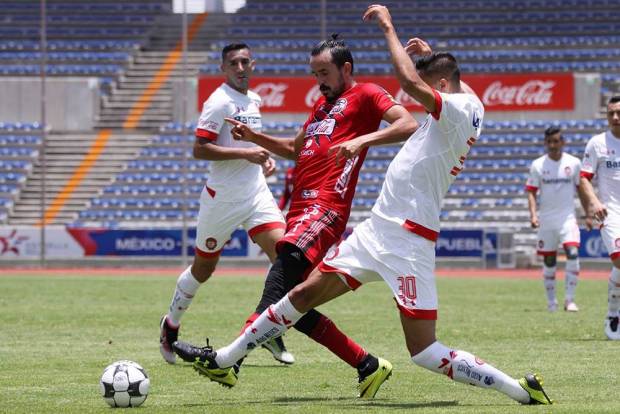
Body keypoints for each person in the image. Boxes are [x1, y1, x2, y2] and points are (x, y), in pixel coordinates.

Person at [185, 5, 554, 405]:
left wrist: (388, 29)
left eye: (431, 87)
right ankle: (226, 358)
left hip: (409, 240)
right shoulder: (469, 102)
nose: (422, 96)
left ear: (442, 85)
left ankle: (518, 389)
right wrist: (429, 58)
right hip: (377, 229)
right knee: (301, 295)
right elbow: (447, 85)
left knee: (425, 352)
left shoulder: (459, 110)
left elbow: (410, 87)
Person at [173, 33, 418, 398]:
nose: (319, 81)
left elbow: (407, 123)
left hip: (325, 207)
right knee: (292, 303)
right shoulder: (319, 110)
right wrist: (254, 136)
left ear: (345, 69)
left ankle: (227, 361)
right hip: (301, 209)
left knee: (280, 280)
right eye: (314, 73)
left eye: (324, 72)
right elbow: (292, 148)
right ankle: (367, 365)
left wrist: (360, 141)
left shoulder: (366, 94)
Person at [159, 43, 294, 365]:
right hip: (223, 199)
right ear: (224, 67)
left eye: (245, 61)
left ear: (253, 64)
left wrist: (262, 161)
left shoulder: (254, 99)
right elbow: (200, 149)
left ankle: (268, 330)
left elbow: (249, 144)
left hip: (256, 194)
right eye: (233, 62)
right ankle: (171, 323)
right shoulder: (218, 102)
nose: (240, 67)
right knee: (203, 270)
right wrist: (247, 154)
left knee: (287, 259)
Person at [526, 127, 586, 312]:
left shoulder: (574, 163)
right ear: (545, 143)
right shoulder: (537, 165)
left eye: (556, 141)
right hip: (547, 220)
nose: (553, 145)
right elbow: (531, 192)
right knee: (549, 261)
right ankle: (552, 302)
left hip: (568, 218)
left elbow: (582, 188)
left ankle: (570, 300)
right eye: (550, 142)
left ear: (563, 142)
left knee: (573, 253)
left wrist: (589, 212)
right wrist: (534, 215)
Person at [580, 95, 620, 340]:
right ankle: (613, 312)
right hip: (611, 212)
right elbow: (584, 177)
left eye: (619, 113)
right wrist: (593, 202)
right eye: (611, 113)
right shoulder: (597, 143)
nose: (615, 117)